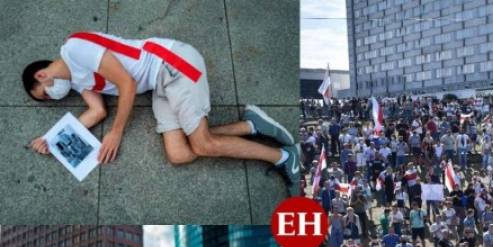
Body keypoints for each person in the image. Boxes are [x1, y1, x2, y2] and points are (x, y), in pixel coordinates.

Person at [23, 33, 298, 193]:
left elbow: (127, 84)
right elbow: (96, 113)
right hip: (160, 86)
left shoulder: (74, 49)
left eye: (45, 93)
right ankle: (249, 126)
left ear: (42, 74)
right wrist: (53, 141)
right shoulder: (79, 82)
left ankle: (285, 157)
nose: (53, 97)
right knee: (179, 154)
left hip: (172, 64)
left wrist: (116, 134)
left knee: (202, 144)